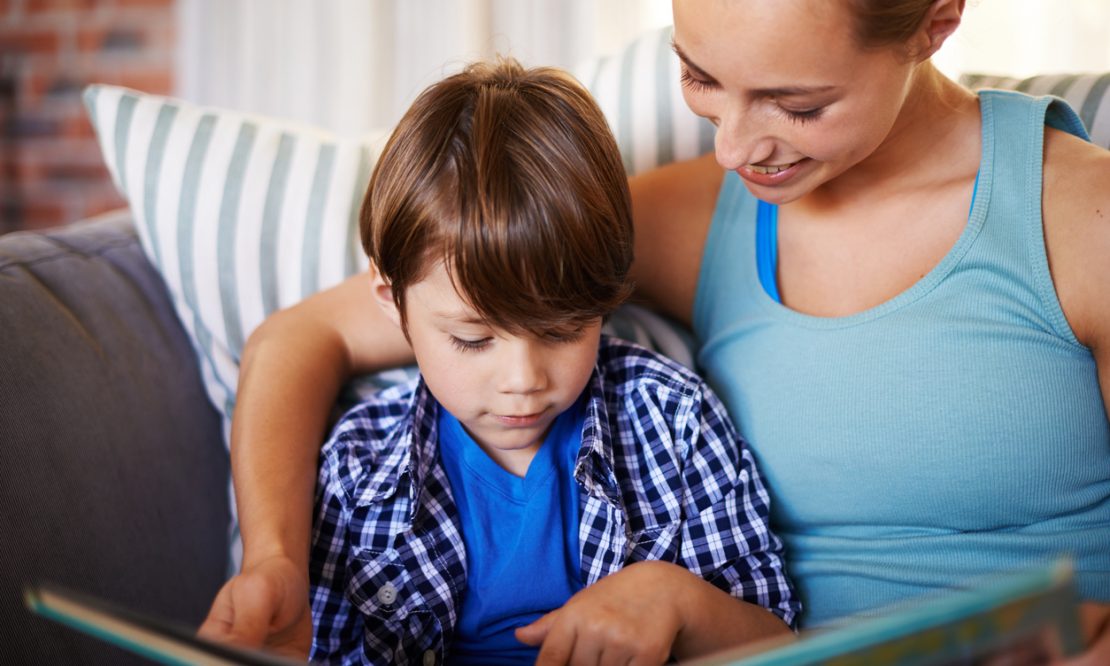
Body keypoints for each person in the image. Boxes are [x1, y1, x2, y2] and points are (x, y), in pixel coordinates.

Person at [199, 0, 1110, 663]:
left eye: (797, 105)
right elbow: (300, 339)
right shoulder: (703, 215)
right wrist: (276, 559)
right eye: (702, 79)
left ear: (936, 21)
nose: (731, 148)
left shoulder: (1080, 218)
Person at [294, 58, 799, 664]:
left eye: (561, 332)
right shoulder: (357, 470)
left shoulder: (674, 422)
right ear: (393, 305)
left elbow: (776, 641)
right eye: (473, 340)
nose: (523, 382)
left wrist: (681, 603)